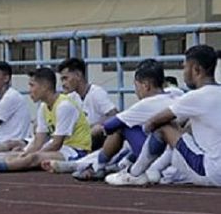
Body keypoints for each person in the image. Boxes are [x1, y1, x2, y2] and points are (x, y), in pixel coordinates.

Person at [106, 45, 221, 187]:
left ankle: (135, 174)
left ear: (196, 69)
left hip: (211, 172)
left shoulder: (195, 97)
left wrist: (147, 132)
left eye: (185, 67)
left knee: (164, 127)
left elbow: (154, 123)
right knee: (188, 128)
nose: (183, 73)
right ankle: (154, 169)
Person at [45, 59, 179, 180]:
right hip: (173, 151)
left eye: (136, 86)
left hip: (163, 156)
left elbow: (112, 121)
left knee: (121, 127)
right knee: (128, 140)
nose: (135, 91)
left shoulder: (145, 103)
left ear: (145, 86)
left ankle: (96, 166)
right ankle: (109, 165)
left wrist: (99, 128)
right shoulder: (176, 95)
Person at [0, 67, 91, 173]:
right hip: (62, 149)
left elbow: (56, 144)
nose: (29, 90)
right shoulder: (43, 107)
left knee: (33, 158)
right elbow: (38, 142)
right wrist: (26, 152)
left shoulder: (64, 106)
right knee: (19, 153)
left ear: (45, 87)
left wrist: (31, 154)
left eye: (32, 85)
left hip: (76, 151)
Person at [58, 58, 117, 149]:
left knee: (96, 130)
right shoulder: (71, 97)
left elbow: (114, 114)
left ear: (78, 75)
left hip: (96, 142)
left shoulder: (96, 92)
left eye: (66, 78)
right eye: (62, 80)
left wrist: (95, 126)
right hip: (77, 141)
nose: (63, 83)